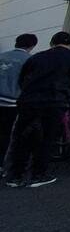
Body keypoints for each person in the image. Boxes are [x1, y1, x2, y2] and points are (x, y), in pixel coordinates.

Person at [5, 31, 70, 189]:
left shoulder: (37, 57)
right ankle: (39, 175)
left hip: (29, 101)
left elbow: (23, 78)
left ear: (51, 43)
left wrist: (26, 93)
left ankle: (15, 176)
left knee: (22, 138)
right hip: (55, 101)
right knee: (47, 138)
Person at [0, 33, 38, 176]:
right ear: (32, 46)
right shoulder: (30, 60)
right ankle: (3, 165)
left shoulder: (2, 56)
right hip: (12, 102)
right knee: (7, 134)